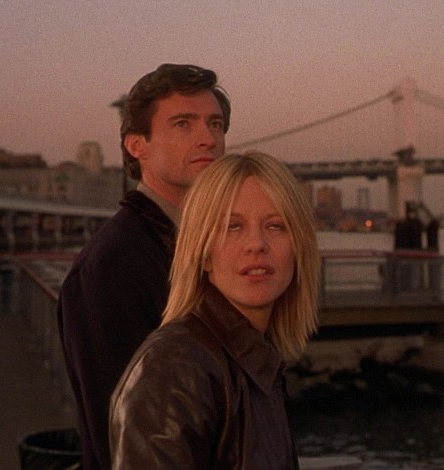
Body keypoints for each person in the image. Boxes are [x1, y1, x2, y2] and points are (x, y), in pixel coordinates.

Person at [56, 64, 231, 470]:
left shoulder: (210, 247)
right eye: (183, 124)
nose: (208, 138)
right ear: (137, 146)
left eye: (216, 124)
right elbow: (123, 435)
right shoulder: (111, 267)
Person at [110, 151, 320, 469]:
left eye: (276, 225)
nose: (257, 244)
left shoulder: (255, 363)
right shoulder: (174, 369)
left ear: (299, 248)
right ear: (203, 252)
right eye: (232, 226)